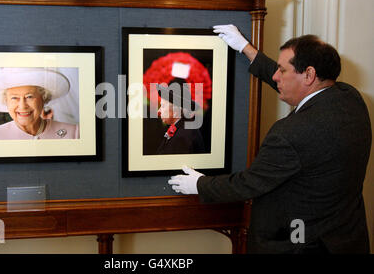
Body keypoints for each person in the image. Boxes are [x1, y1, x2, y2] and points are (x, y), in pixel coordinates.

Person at [168, 25, 371, 253]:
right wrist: (247, 50)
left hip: (299, 246)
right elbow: (300, 90)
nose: (275, 76)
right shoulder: (350, 99)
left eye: (282, 70)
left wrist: (199, 184)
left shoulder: (290, 133)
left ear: (309, 74)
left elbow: (248, 184)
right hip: (347, 241)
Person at [0, 67, 80, 140]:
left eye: (29, 97)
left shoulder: (72, 133)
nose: (22, 106)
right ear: (6, 101)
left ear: (43, 98)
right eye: (14, 98)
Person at [155, 78, 206, 155]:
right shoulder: (183, 129)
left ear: (176, 111)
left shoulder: (183, 137)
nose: (158, 112)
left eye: (162, 106)